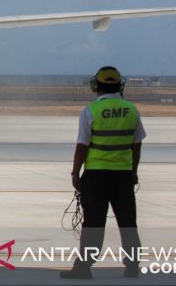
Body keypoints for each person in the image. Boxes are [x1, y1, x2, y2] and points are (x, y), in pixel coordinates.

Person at [62, 65, 146, 280]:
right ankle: (133, 266)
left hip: (96, 176)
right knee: (128, 222)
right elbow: (136, 145)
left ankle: (83, 267)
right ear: (120, 85)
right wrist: (133, 172)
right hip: (122, 176)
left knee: (93, 224)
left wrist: (74, 173)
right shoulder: (131, 110)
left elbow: (82, 145)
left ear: (96, 86)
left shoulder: (90, 111)